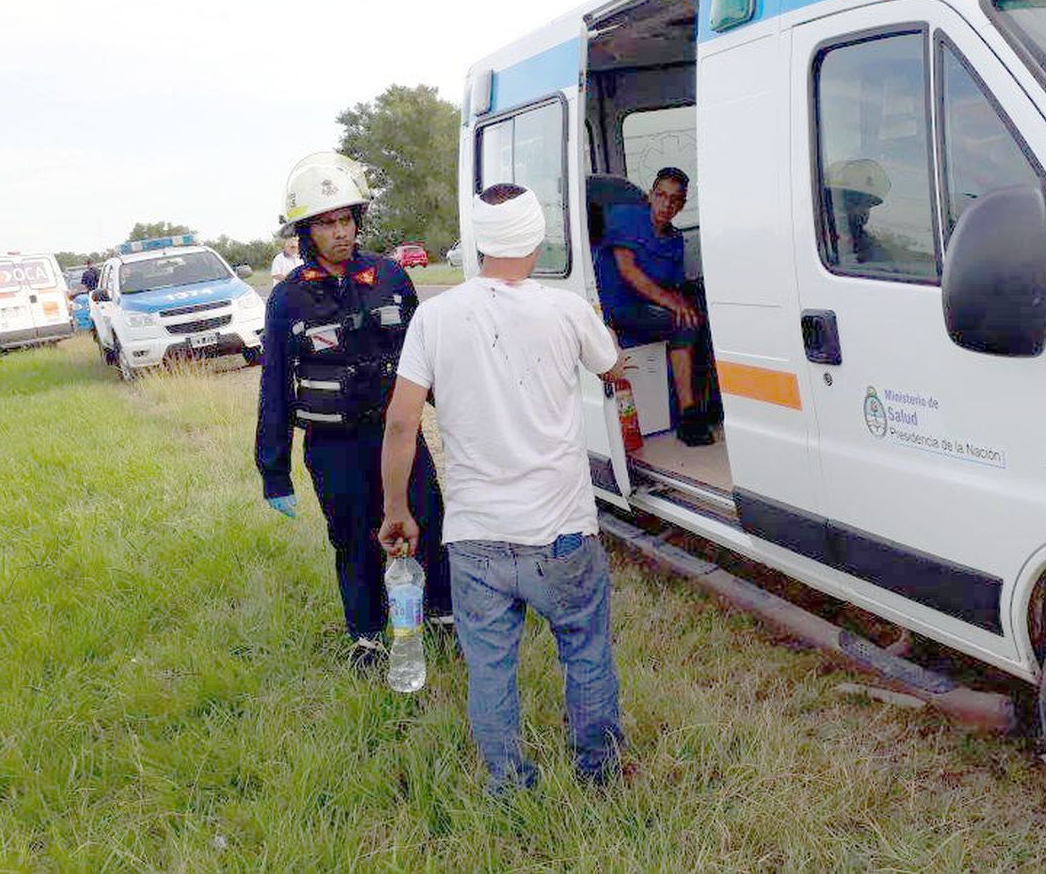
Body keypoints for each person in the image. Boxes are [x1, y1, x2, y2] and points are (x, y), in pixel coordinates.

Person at [379, 183, 628, 794]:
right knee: (585, 650)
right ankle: (599, 775)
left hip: (475, 537)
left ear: (480, 241)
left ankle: (509, 785)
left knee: (490, 669)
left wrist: (396, 509)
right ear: (538, 239)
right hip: (562, 531)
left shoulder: (435, 317)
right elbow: (612, 365)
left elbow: (401, 422)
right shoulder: (566, 309)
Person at [255, 151, 451, 674]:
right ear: (305, 233)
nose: (340, 233)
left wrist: (459, 417)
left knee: (428, 520)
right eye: (326, 224)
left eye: (346, 220)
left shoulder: (390, 277)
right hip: (334, 446)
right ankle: (366, 636)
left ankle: (442, 618)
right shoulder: (288, 300)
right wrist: (273, 470)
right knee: (353, 536)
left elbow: (425, 357)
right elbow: (274, 384)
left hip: (399, 438)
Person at [593, 167, 712, 446]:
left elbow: (673, 286)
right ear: (650, 196)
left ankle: (706, 408)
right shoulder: (625, 217)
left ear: (682, 205)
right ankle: (689, 417)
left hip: (648, 310)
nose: (666, 204)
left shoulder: (674, 240)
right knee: (682, 322)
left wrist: (686, 303)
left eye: (674, 200)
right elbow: (628, 271)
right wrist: (673, 303)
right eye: (661, 195)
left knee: (694, 319)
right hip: (616, 309)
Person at [824, 158, 893, 265]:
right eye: (854, 200)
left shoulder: (871, 249)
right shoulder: (813, 238)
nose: (862, 210)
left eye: (868, 203)